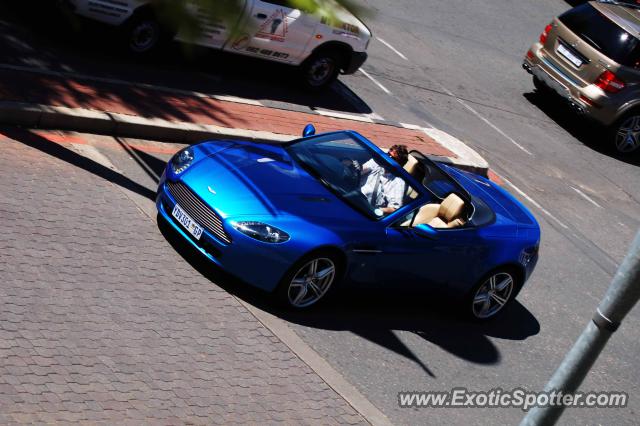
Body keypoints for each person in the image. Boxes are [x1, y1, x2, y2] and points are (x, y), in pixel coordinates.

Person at [360, 145, 409, 215]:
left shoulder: (398, 182)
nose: (387, 158)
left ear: (399, 164)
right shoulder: (376, 163)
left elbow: (394, 209)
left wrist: (375, 211)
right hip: (352, 196)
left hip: (365, 210)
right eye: (388, 154)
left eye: (392, 158)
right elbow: (359, 170)